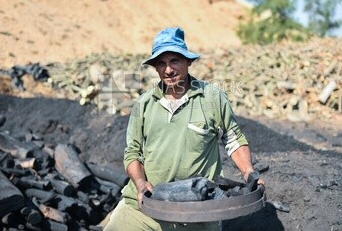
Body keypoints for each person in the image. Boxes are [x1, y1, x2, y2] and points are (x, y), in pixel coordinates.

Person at [104, 27, 264, 231]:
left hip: (197, 211)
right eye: (161, 63)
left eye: (174, 61)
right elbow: (132, 152)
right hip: (145, 207)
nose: (168, 70)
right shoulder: (144, 104)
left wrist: (249, 172)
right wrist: (140, 183)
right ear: (155, 67)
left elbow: (233, 140)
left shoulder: (212, 98)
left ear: (188, 61)